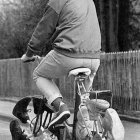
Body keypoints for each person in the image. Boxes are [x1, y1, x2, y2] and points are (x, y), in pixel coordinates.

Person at [21, 0, 101, 131]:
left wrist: (29, 54)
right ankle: (85, 131)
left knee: (39, 74)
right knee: (84, 102)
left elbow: (43, 29)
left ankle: (61, 107)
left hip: (68, 55)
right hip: (94, 58)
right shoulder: (89, 1)